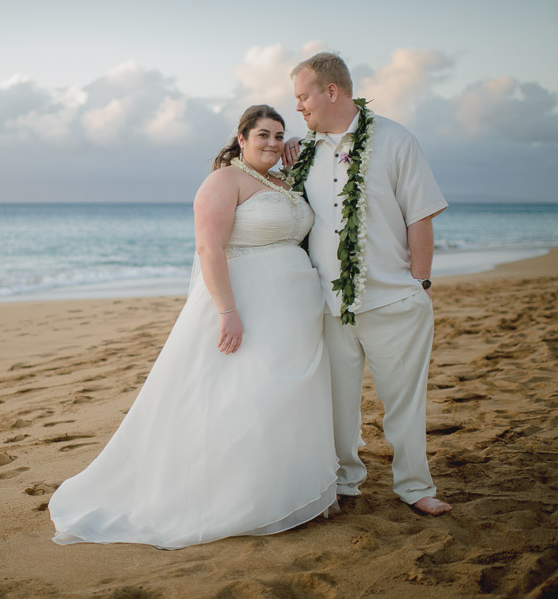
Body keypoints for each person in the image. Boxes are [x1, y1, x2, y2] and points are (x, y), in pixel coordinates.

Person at [48, 105, 339, 549]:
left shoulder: (283, 181)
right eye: (263, 134)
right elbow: (209, 249)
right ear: (241, 137)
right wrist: (227, 311)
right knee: (247, 397)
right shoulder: (223, 181)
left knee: (286, 397)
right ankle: (237, 497)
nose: (273, 143)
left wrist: (300, 169)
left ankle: (285, 489)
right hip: (249, 304)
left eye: (280, 136)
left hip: (294, 311)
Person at [283, 52, 451, 516]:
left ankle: (415, 487)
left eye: (303, 96)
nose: (298, 107)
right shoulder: (302, 152)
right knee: (338, 408)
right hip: (328, 306)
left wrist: (420, 282)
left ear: (331, 91)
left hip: (393, 299)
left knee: (405, 403)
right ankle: (345, 483)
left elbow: (420, 213)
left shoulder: (396, 140)